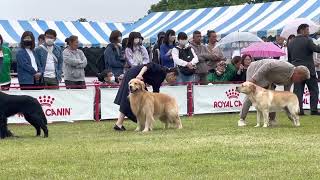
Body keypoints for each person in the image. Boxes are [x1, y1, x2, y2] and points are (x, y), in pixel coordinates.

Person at [238, 59, 310, 127]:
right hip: (257, 70)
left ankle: (271, 119)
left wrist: (290, 114)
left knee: (272, 98)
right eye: (301, 79)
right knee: (251, 93)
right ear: (297, 73)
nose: (300, 81)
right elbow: (267, 66)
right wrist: (253, 79)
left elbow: (285, 97)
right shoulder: (285, 67)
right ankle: (241, 119)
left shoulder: (291, 80)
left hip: (269, 78)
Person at [113, 63, 176, 131]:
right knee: (128, 100)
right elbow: (147, 66)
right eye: (174, 79)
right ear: (172, 74)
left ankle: (143, 125)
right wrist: (140, 75)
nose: (173, 81)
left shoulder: (161, 78)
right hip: (135, 77)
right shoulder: (161, 69)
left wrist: (157, 102)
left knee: (145, 102)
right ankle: (120, 124)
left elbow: (155, 91)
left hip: (139, 81)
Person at [288, 24, 320, 115]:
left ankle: (299, 111)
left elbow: (290, 59)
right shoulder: (308, 40)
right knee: (313, 90)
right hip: (308, 70)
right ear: (302, 31)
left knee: (298, 91)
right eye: (307, 30)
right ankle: (313, 110)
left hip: (296, 70)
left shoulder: (290, 43)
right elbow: (317, 49)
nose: (309, 32)